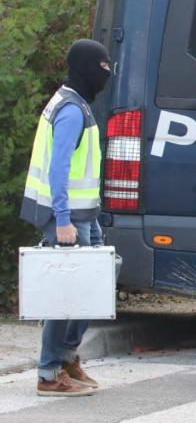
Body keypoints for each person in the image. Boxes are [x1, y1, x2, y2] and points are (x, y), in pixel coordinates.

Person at [21, 39, 110, 397]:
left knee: (92, 288)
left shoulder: (76, 103)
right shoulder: (72, 110)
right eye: (102, 67)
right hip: (67, 216)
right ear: (86, 67)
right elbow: (59, 169)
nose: (107, 74)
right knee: (64, 295)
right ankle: (48, 372)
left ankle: (67, 356)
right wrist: (62, 219)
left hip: (83, 213)